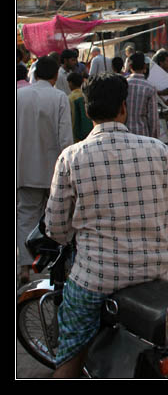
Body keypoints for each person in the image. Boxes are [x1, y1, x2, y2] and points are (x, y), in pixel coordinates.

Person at [45, 72, 168, 378]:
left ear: (87, 112)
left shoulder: (72, 157)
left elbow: (57, 229)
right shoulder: (159, 150)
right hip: (156, 277)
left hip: (94, 281)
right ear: (123, 108)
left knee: (70, 351)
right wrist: (164, 230)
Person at [17, 55, 73, 285]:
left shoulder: (18, 96)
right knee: (55, 218)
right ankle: (51, 263)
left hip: (24, 169)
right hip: (53, 171)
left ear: (35, 73)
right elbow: (65, 139)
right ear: (55, 76)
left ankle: (24, 266)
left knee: (25, 216)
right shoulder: (59, 97)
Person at [125, 52, 159, 138]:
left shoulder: (122, 84)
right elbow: (153, 119)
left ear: (130, 67)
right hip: (142, 135)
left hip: (124, 134)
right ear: (145, 67)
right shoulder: (150, 88)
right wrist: (154, 139)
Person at [67, 72, 93, 142]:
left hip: (75, 135)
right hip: (89, 133)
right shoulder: (88, 94)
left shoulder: (70, 98)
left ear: (70, 83)